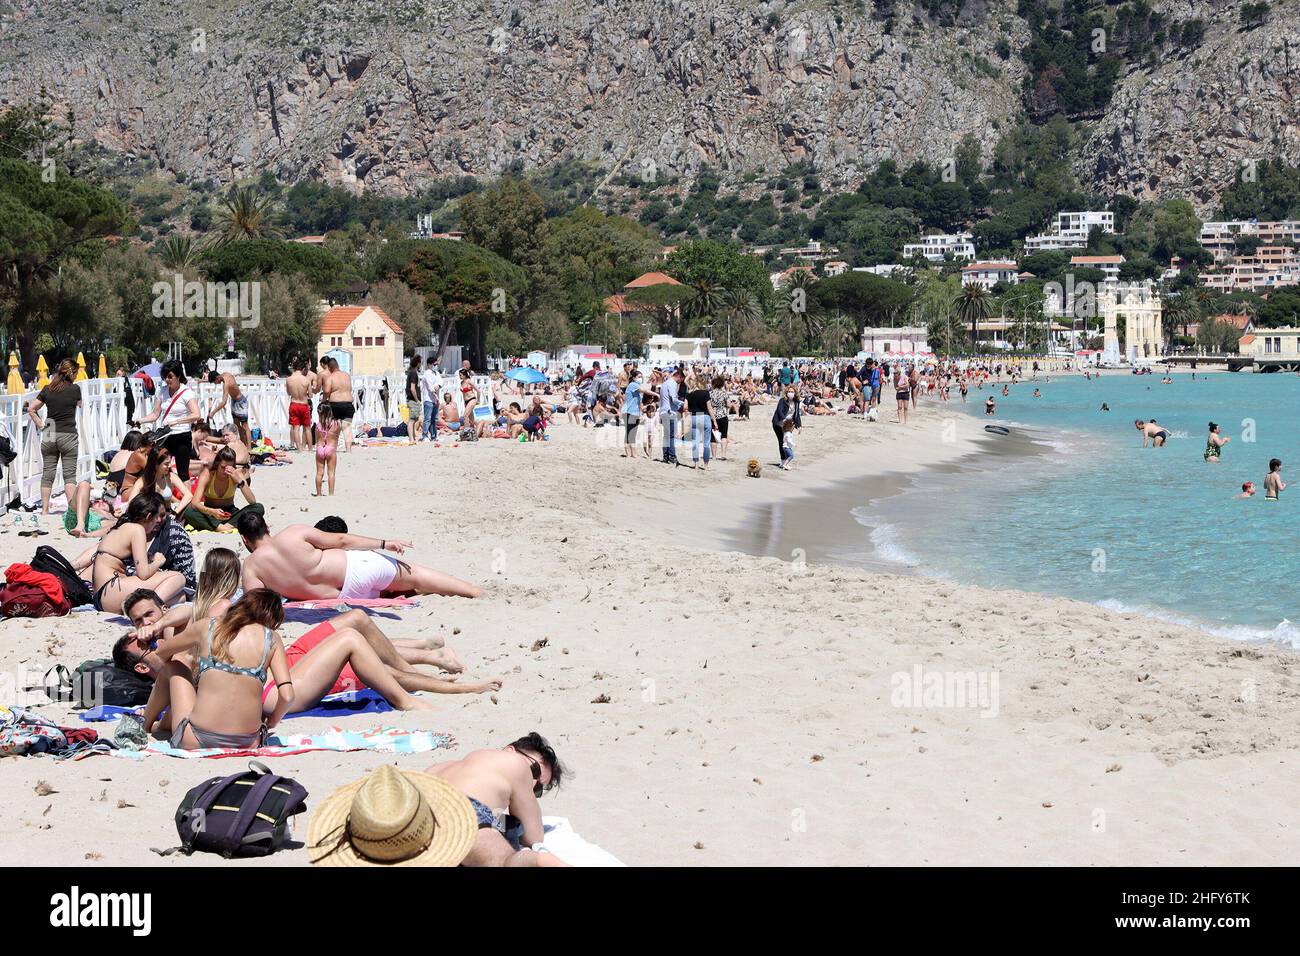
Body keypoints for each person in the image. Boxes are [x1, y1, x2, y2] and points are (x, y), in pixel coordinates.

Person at [157, 588, 294, 750]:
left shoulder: (208, 626)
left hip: (196, 738)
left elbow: (162, 652)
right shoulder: (272, 639)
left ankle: (146, 723)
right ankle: (159, 725)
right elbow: (287, 696)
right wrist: (272, 721)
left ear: (242, 604)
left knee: (175, 665)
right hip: (248, 742)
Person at [237, 511, 483, 601]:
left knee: (399, 588)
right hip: (356, 568)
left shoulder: (251, 566)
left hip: (344, 596)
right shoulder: (292, 534)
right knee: (415, 575)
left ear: (245, 540)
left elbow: (256, 603)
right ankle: (473, 591)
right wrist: (385, 543)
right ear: (267, 527)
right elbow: (342, 540)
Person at [424, 733, 569, 867]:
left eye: (537, 789)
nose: (531, 784)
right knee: (505, 860)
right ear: (510, 750)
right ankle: (543, 861)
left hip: (416, 809)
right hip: (464, 810)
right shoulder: (515, 762)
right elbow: (534, 836)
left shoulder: (441, 766)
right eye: (534, 771)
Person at [71, 492, 186, 613]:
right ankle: (145, 608)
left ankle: (143, 605)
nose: (158, 522)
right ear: (148, 517)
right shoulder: (137, 530)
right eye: (156, 517)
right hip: (110, 590)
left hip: (101, 594)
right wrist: (158, 562)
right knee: (177, 578)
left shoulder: (121, 528)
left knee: (180, 596)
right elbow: (143, 574)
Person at [28, 358, 82, 515]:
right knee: (69, 475)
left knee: (48, 472)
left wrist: (40, 424)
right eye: (76, 373)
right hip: (68, 433)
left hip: (50, 430)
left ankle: (45, 510)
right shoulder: (75, 389)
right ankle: (71, 511)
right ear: (71, 372)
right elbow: (79, 404)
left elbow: (31, 409)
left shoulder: (47, 389)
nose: (77, 376)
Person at [138, 360, 202, 481]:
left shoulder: (187, 393)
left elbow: (196, 415)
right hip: (166, 435)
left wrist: (178, 421)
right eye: (165, 377)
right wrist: (140, 421)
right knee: (160, 467)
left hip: (182, 435)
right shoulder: (162, 391)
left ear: (178, 376)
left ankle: (187, 498)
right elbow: (155, 414)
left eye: (170, 376)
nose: (167, 380)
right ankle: (164, 495)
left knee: (182, 471)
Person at [182, 447, 262, 532]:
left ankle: (225, 526)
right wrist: (212, 512)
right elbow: (195, 502)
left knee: (259, 507)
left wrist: (239, 481)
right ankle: (222, 526)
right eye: (223, 467)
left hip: (230, 513)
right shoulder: (208, 474)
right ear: (217, 464)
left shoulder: (236, 474)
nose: (225, 471)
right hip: (210, 512)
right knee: (189, 512)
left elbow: (252, 501)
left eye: (229, 468)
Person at [207, 369, 251, 447]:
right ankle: (243, 445)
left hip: (241, 402)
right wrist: (202, 381)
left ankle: (249, 448)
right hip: (234, 402)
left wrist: (213, 413)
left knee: (245, 426)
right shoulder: (225, 374)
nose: (216, 384)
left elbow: (224, 402)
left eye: (215, 382)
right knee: (237, 426)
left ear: (217, 378)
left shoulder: (226, 384)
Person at [321, 357, 356, 453]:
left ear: (330, 368)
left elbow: (327, 391)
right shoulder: (346, 375)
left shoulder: (331, 377)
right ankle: (348, 449)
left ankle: (333, 448)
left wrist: (323, 401)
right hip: (348, 404)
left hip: (335, 405)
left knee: (334, 427)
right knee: (347, 426)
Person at [686, 379, 717, 470]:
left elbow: (685, 407)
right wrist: (714, 421)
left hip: (695, 417)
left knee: (695, 442)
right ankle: (706, 465)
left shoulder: (690, 394)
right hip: (705, 417)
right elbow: (710, 408)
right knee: (706, 443)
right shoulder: (706, 393)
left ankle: (696, 465)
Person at [285, 358, 313, 451]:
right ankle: (310, 449)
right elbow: (311, 395)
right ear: (303, 368)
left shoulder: (289, 379)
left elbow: (289, 393)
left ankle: (299, 449)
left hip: (294, 404)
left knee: (295, 428)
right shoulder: (306, 380)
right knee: (307, 428)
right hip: (304, 404)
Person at [658, 367, 684, 464]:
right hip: (670, 412)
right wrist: (684, 403)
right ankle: (672, 456)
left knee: (666, 436)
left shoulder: (665, 383)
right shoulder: (672, 383)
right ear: (679, 376)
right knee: (672, 436)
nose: (680, 383)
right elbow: (674, 399)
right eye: (681, 380)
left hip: (664, 411)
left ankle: (665, 456)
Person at [772, 385, 801, 470]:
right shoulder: (782, 400)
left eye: (792, 392)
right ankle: (783, 461)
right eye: (789, 392)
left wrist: (799, 426)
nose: (790, 393)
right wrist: (784, 420)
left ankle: (784, 461)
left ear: (795, 393)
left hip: (788, 424)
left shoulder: (796, 402)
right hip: (779, 423)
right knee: (782, 441)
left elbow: (796, 415)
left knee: (787, 442)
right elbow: (779, 411)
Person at [315, 400, 340, 496]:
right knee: (331, 473)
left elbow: (317, 439)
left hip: (320, 448)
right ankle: (331, 493)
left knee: (319, 473)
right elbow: (336, 436)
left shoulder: (318, 425)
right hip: (331, 447)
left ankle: (318, 493)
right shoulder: (336, 424)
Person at [709, 375, 732, 460]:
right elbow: (729, 405)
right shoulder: (724, 393)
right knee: (724, 436)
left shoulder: (710, 393)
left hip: (713, 416)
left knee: (713, 437)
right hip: (723, 415)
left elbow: (709, 405)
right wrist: (724, 405)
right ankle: (723, 455)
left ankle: (714, 456)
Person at [420, 357, 439, 442]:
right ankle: (424, 435)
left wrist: (438, 385)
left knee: (434, 419)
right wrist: (435, 389)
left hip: (435, 400)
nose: (436, 366)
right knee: (427, 419)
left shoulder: (436, 373)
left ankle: (434, 436)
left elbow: (440, 382)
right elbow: (430, 387)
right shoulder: (427, 373)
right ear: (429, 365)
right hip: (428, 399)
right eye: (434, 364)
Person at [405, 354, 423, 442]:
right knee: (411, 420)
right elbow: (412, 388)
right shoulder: (413, 373)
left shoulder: (412, 372)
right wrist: (417, 400)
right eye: (421, 362)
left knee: (414, 419)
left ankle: (413, 437)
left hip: (411, 399)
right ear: (418, 363)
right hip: (412, 400)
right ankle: (411, 439)